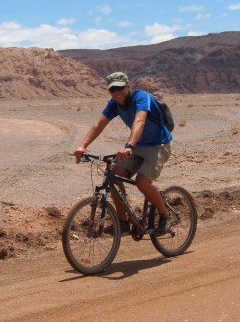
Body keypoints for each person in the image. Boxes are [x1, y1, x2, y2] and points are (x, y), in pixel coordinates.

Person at [74, 71, 173, 233]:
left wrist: (129, 145)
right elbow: (98, 125)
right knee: (113, 176)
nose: (116, 93)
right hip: (137, 147)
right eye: (112, 90)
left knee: (142, 182)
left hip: (158, 146)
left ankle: (165, 216)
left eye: (120, 88)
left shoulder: (142, 97)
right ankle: (123, 222)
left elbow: (140, 120)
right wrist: (82, 146)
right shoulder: (114, 103)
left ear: (128, 86)